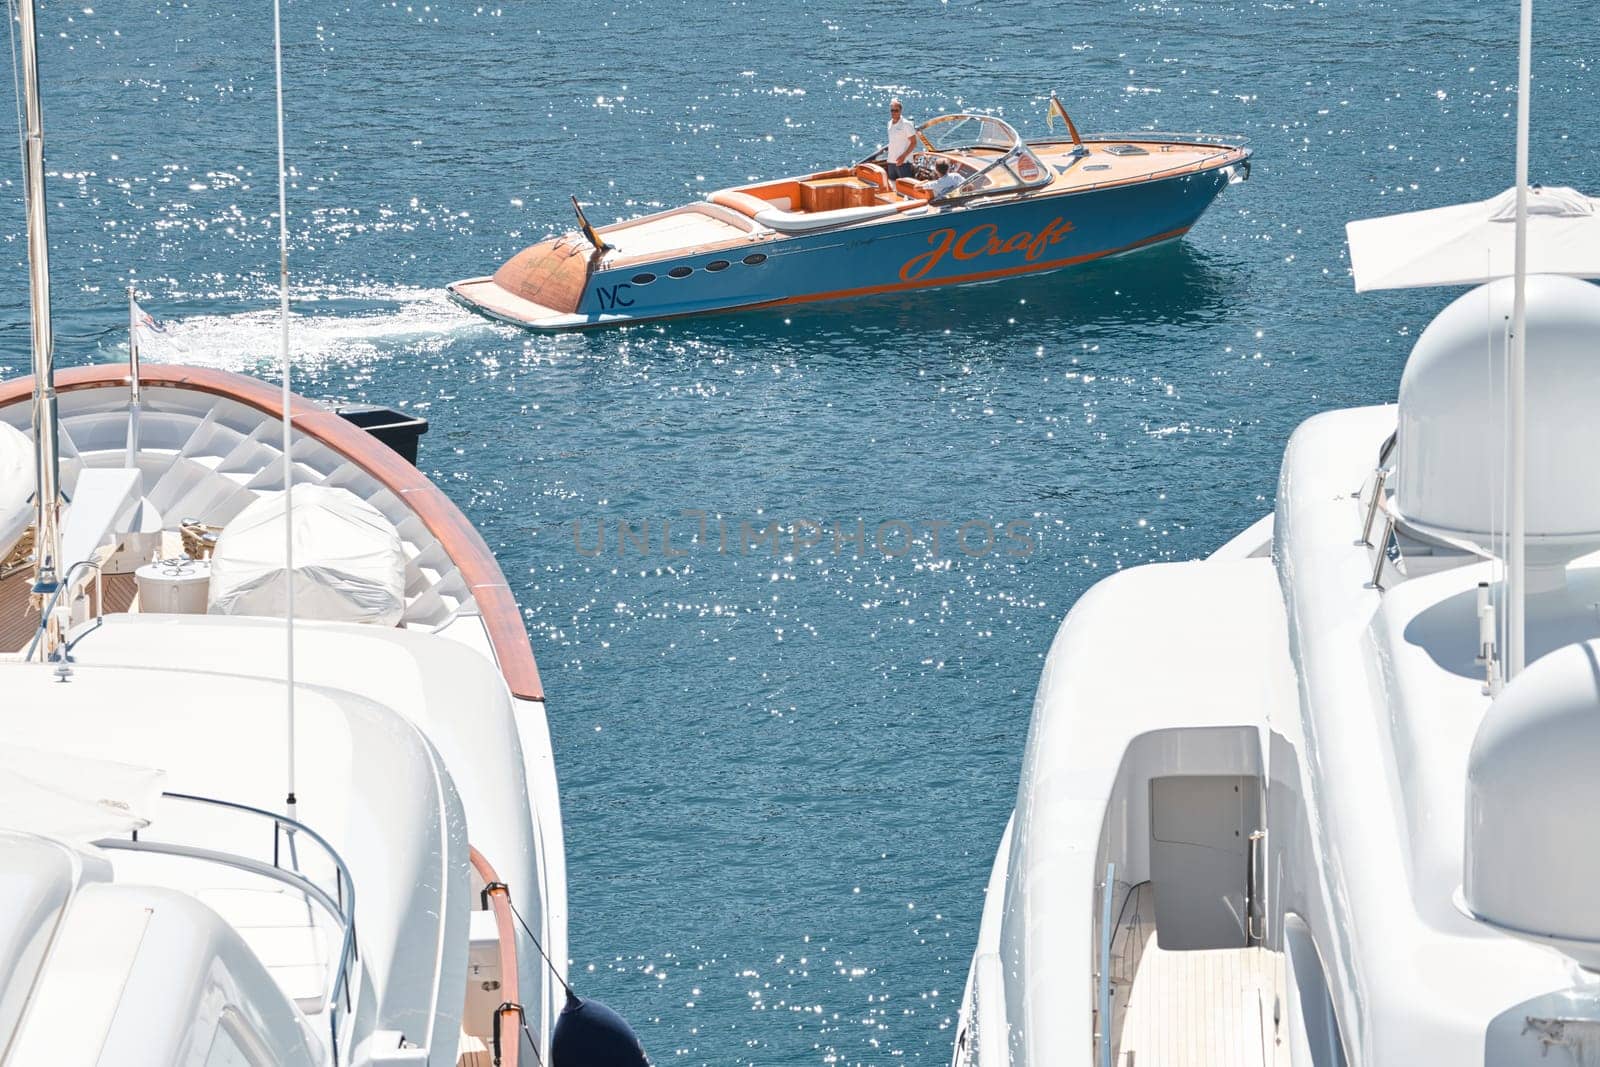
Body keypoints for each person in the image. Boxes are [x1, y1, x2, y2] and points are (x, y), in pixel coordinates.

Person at [885, 99, 917, 181]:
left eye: (896, 110)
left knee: (906, 188)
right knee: (893, 187)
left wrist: (903, 156)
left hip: (904, 163)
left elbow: (913, 143)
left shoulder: (906, 124)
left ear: (900, 111)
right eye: (892, 110)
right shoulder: (889, 123)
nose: (894, 112)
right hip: (891, 162)